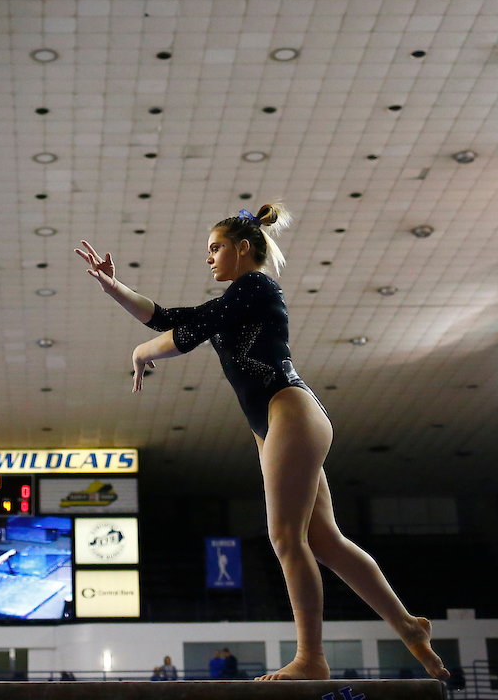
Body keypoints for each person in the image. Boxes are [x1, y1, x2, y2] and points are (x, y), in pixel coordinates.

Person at [77, 205, 451, 682]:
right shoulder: (234, 304)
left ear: (243, 248)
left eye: (215, 249)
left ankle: (311, 660)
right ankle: (408, 625)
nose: (209, 259)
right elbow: (172, 320)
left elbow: (183, 330)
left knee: (285, 538)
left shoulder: (254, 287)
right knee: (324, 540)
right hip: (274, 422)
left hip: (287, 408)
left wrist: (141, 350)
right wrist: (116, 289)